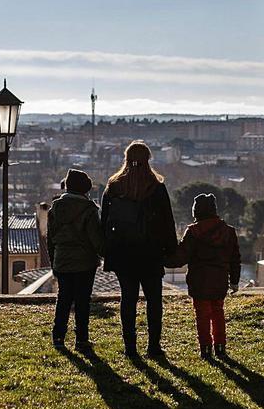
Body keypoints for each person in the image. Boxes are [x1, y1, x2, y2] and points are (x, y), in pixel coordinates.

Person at [102, 141, 177, 358]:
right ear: (148, 159)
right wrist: (170, 250)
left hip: (123, 253)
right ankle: (153, 346)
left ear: (126, 159)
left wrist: (107, 250)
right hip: (151, 252)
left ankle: (130, 347)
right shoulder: (156, 187)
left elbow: (105, 221)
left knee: (128, 299)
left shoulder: (114, 186)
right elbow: (167, 222)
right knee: (154, 300)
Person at [176, 193, 241, 360]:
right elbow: (235, 259)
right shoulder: (229, 232)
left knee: (202, 315)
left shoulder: (193, 232)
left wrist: (162, 257)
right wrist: (234, 281)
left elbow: (181, 257)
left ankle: (205, 348)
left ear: (196, 211)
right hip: (220, 281)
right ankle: (220, 346)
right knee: (218, 312)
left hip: (199, 281)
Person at [47, 169, 104, 353]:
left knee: (63, 299)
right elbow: (95, 239)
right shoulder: (89, 210)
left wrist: (54, 262)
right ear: (85, 189)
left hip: (62, 260)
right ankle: (81, 339)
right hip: (84, 262)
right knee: (82, 302)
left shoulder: (55, 209)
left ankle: (58, 336)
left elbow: (50, 239)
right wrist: (106, 254)